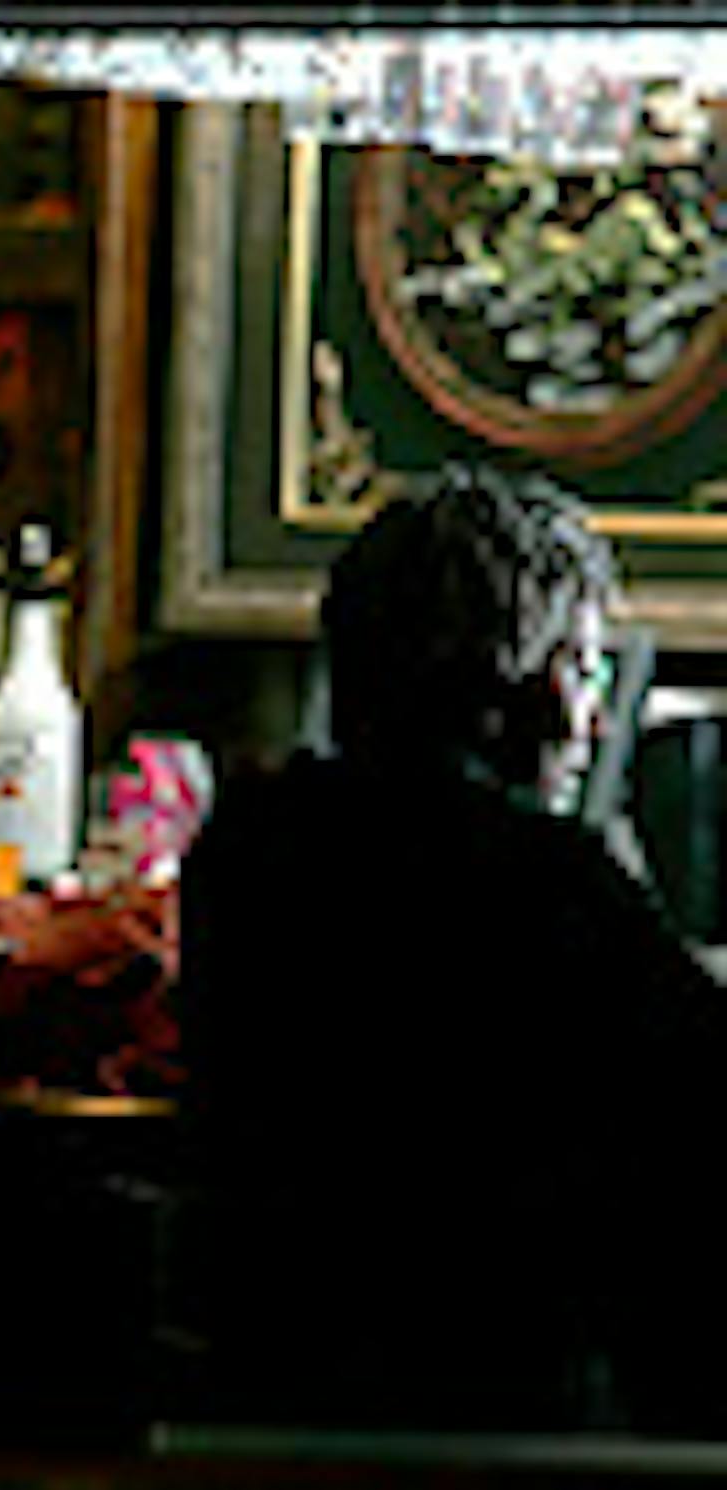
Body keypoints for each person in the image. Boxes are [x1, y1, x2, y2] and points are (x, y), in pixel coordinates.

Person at [177, 463, 727, 1431]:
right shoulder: (547, 886)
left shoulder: (250, 850)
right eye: (585, 669)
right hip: (510, 1416)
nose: (596, 717)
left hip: (273, 1393)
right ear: (517, 679)